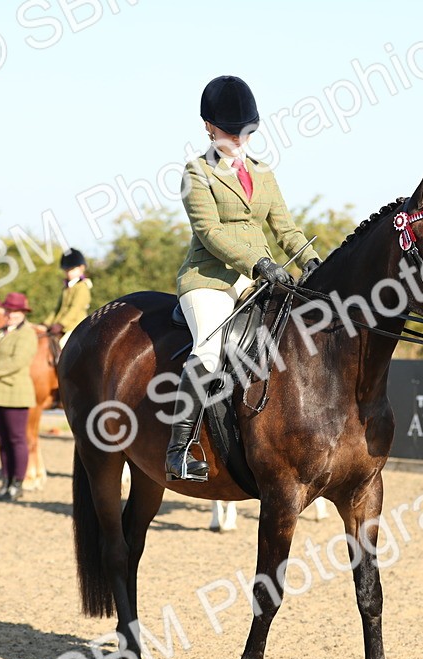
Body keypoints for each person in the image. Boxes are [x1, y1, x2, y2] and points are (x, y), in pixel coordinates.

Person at [166, 75, 321, 482]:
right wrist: (259, 262)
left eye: (245, 132)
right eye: (230, 133)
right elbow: (211, 233)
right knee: (209, 349)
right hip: (210, 279)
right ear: (208, 127)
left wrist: (311, 261)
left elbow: (285, 229)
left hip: (258, 279)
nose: (239, 140)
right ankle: (179, 450)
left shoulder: (263, 172)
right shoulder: (195, 173)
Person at [0, 292, 38, 502]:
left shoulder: (27, 335)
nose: (10, 314)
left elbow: (17, 362)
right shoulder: (0, 333)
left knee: (16, 440)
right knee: (2, 440)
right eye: (8, 310)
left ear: (22, 313)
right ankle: (5, 482)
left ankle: (17, 484)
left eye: (14, 311)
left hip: (15, 393)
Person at [43, 248, 93, 349]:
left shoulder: (82, 287)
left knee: (62, 345)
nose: (69, 273)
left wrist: (61, 324)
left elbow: (75, 309)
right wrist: (46, 323)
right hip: (62, 325)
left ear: (81, 268)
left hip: (76, 325)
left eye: (72, 270)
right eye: (66, 270)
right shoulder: (66, 288)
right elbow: (58, 309)